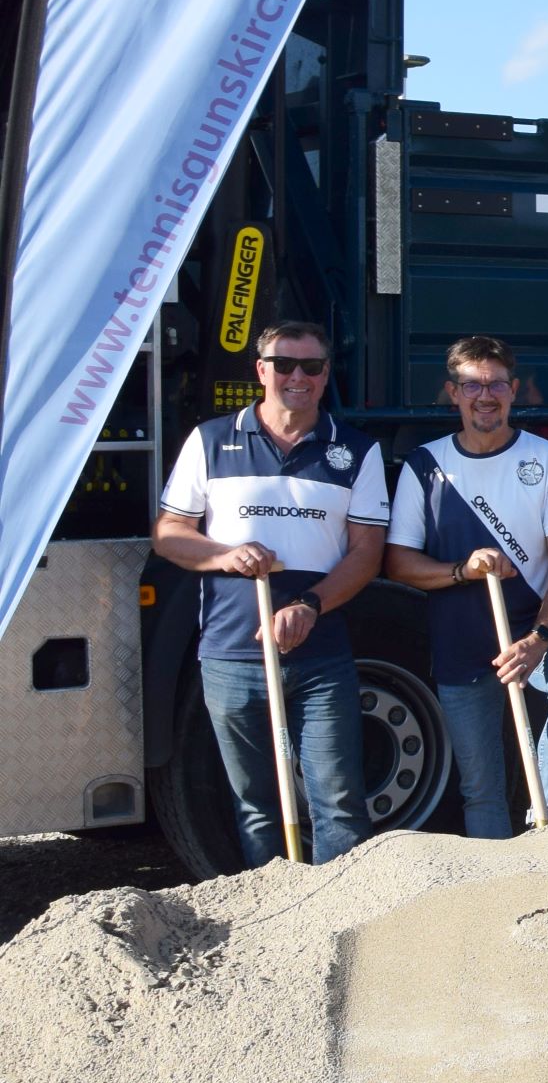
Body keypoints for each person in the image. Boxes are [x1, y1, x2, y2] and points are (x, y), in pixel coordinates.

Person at [152, 321, 385, 865]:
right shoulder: (210, 440)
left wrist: (310, 604)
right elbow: (168, 535)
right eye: (283, 364)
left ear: (327, 375)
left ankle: (339, 918)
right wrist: (223, 555)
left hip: (321, 658)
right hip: (232, 655)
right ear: (261, 371)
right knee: (256, 804)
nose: (296, 376)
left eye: (311, 366)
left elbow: (366, 555)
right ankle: (275, 924)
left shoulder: (355, 451)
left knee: (339, 802)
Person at [384, 336, 548, 836]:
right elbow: (398, 564)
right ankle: (500, 897)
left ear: (514, 390)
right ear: (452, 392)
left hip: (534, 627)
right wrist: (461, 570)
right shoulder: (424, 466)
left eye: (496, 383)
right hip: (461, 640)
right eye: (472, 384)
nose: (485, 395)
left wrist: (539, 640)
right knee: (481, 790)